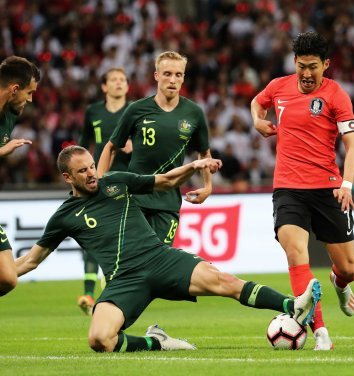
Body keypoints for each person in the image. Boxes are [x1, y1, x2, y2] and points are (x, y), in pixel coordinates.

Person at [15, 145, 321, 352]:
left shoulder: (116, 182)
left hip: (159, 257)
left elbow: (163, 180)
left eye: (93, 166)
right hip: (124, 280)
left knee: (225, 281)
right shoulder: (65, 216)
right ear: (67, 177)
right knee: (99, 340)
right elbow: (30, 260)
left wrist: (194, 166)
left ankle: (292, 306)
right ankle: (157, 342)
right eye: (82, 171)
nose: (92, 174)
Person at [251, 31, 354, 350]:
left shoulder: (337, 95)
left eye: (313, 66)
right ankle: (320, 332)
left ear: (326, 64)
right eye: (301, 66)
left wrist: (347, 184)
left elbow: (352, 146)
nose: (307, 74)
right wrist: (257, 119)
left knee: (349, 269)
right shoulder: (278, 86)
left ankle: (340, 284)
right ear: (294, 63)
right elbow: (257, 103)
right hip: (288, 188)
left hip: (328, 189)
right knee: (296, 252)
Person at [98, 51, 211, 247]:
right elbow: (112, 147)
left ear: (183, 78)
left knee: (161, 264)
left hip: (168, 203)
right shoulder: (136, 109)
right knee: (132, 260)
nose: (172, 80)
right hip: (135, 198)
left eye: (178, 75)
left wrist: (208, 186)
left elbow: (205, 154)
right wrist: (98, 184)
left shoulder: (194, 113)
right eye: (167, 74)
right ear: (157, 76)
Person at [76, 67, 132, 315]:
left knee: (121, 240)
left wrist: (136, 147)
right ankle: (88, 293)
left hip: (127, 182)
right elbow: (84, 145)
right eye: (114, 80)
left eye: (123, 80)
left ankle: (114, 289)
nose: (119, 83)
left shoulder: (135, 111)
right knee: (91, 234)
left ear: (128, 87)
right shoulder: (93, 112)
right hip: (98, 181)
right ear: (104, 86)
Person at [0, 56, 40, 297]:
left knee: (7, 278)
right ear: (14, 89)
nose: (31, 99)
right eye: (29, 92)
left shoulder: (9, 114)